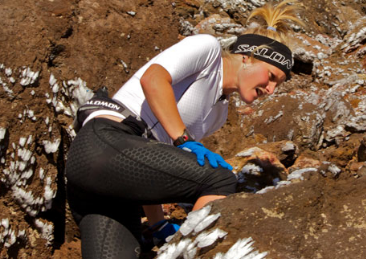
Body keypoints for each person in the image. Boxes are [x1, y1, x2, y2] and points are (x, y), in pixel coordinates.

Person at [65, 1, 303, 258]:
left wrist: (158, 225)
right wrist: (183, 138)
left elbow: (153, 163)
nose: (271, 90)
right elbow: (153, 78)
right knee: (220, 178)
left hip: (114, 186)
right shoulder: (207, 48)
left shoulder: (218, 115)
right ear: (247, 56)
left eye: (277, 84)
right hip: (103, 144)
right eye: (270, 77)